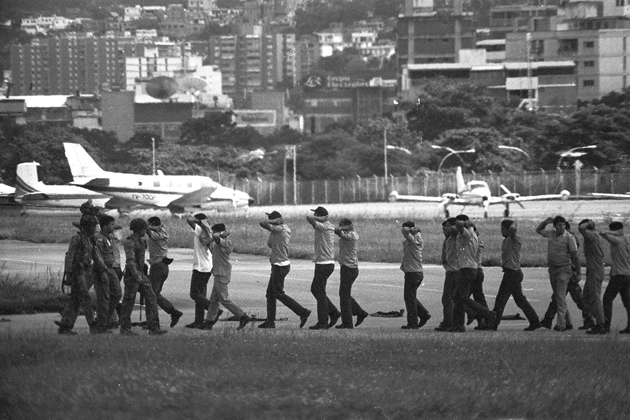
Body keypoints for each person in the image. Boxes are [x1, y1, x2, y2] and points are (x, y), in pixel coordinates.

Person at [258, 211, 311, 329]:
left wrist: (275, 221)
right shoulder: (276, 230)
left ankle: (303, 312)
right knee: (270, 294)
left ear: (276, 220)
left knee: (278, 294)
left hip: (280, 266)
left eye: (271, 218)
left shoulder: (280, 229)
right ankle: (270, 322)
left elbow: (262, 223)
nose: (269, 220)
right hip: (278, 265)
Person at [491, 219, 542, 331]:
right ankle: (535, 321)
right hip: (512, 273)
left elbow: (513, 230)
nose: (501, 231)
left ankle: (493, 323)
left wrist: (512, 225)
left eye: (503, 229)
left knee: (501, 299)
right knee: (520, 300)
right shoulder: (506, 241)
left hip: (512, 273)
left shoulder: (515, 238)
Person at [198, 223, 251, 330]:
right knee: (214, 300)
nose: (213, 233)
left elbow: (216, 237)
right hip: (218, 273)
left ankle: (242, 316)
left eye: (214, 231)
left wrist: (220, 233)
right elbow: (205, 241)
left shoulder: (226, 243)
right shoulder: (217, 244)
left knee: (223, 298)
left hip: (223, 273)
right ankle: (209, 322)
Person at [55, 214, 101, 335]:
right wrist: (68, 273)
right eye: (92, 225)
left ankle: (65, 326)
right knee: (85, 297)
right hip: (77, 271)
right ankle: (92, 324)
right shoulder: (77, 238)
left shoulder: (91, 239)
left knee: (76, 300)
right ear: (86, 226)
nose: (94, 228)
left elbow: (94, 255)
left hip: (85, 271)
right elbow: (70, 255)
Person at [119, 218, 165, 336]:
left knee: (151, 298)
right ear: (139, 229)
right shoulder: (130, 242)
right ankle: (125, 329)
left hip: (140, 273)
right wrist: (137, 276)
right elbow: (130, 262)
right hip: (132, 275)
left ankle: (154, 327)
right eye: (144, 228)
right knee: (128, 301)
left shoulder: (141, 241)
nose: (146, 230)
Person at [540, 221, 590, 329]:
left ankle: (588, 318)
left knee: (575, 297)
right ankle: (560, 321)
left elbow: (574, 256)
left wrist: (577, 271)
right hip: (566, 270)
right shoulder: (568, 237)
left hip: (569, 271)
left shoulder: (570, 238)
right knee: (560, 297)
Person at [451, 215, 496, 332]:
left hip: (467, 268)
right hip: (469, 268)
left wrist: (464, 223)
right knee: (457, 296)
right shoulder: (472, 234)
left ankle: (487, 314)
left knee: (462, 297)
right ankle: (459, 325)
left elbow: (460, 226)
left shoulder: (467, 234)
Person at [306, 206, 341, 330]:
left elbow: (308, 217)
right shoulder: (327, 226)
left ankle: (323, 322)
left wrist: (319, 217)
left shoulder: (324, 226)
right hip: (324, 263)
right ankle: (333, 312)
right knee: (316, 290)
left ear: (322, 216)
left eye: (317, 213)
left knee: (319, 291)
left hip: (324, 263)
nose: (314, 214)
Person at [146, 216, 183, 328]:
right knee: (155, 294)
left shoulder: (160, 234)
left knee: (152, 294)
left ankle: (172, 312)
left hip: (158, 266)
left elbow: (148, 231)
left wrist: (149, 227)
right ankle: (153, 320)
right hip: (160, 266)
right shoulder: (159, 231)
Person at [334, 218, 369, 329]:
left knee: (344, 296)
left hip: (349, 268)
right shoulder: (349, 234)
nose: (340, 226)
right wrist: (345, 228)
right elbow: (337, 231)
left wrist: (344, 228)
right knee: (345, 295)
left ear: (347, 226)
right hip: (348, 267)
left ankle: (348, 323)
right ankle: (359, 313)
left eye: (342, 224)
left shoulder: (352, 235)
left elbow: (337, 230)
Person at [185, 213, 216, 329]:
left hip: (200, 267)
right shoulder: (209, 232)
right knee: (200, 296)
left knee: (194, 294)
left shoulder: (200, 229)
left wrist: (199, 221)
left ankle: (214, 310)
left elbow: (188, 219)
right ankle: (198, 320)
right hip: (206, 266)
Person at [577, 219, 607, 334]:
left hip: (595, 270)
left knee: (595, 297)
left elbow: (581, 229)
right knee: (586, 297)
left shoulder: (592, 235)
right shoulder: (592, 236)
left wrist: (587, 223)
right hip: (592, 270)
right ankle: (596, 320)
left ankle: (601, 324)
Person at [399, 221, 431, 329]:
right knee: (410, 297)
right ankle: (423, 314)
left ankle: (413, 323)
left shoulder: (414, 240)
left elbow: (405, 231)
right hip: (414, 272)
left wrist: (412, 229)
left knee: (409, 298)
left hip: (413, 273)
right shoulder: (414, 239)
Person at [93, 214, 123, 332]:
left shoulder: (107, 237)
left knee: (116, 294)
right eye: (111, 225)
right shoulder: (100, 238)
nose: (113, 227)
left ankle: (104, 318)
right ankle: (101, 323)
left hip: (111, 269)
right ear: (104, 226)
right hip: (103, 269)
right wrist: (103, 268)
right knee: (104, 297)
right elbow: (98, 255)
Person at [600, 221, 630, 334]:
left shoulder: (616, 241)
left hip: (618, 275)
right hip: (627, 273)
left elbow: (602, 233)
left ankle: (606, 326)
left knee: (607, 299)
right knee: (627, 302)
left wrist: (611, 232)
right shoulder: (626, 239)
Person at [435, 218, 459, 332]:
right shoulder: (448, 238)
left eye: (447, 227)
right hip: (451, 270)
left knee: (447, 298)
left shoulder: (455, 236)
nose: (445, 229)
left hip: (454, 271)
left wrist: (456, 224)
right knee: (454, 298)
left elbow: (455, 229)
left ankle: (448, 322)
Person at [467, 224, 489, 329]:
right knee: (479, 297)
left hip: (474, 270)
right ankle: (484, 320)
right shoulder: (477, 240)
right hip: (478, 270)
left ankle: (485, 316)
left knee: (460, 297)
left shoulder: (473, 241)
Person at [107, 224, 124, 327]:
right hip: (113, 266)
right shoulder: (108, 236)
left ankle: (114, 318)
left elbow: (117, 236)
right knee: (112, 294)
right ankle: (114, 318)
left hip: (114, 266)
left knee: (113, 294)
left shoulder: (115, 234)